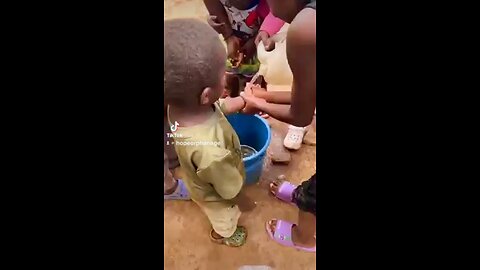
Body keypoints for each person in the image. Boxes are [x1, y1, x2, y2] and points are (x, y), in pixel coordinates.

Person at [164, 18, 256, 247]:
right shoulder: (210, 151)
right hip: (216, 197)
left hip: (197, 180)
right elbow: (227, 187)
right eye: (222, 74)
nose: (226, 77)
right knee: (224, 218)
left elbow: (216, 109)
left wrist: (240, 101)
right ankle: (224, 234)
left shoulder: (178, 108)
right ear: (206, 95)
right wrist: (242, 200)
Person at [241, 0, 317, 252]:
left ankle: (305, 238)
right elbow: (309, 92)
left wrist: (252, 102)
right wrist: (264, 97)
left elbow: (301, 115)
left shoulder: (305, 29)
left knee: (314, 194)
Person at [204, 0, 284, 97]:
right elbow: (215, 11)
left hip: (267, 44)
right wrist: (228, 36)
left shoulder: (273, 5)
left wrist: (259, 37)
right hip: (240, 43)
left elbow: (281, 12)